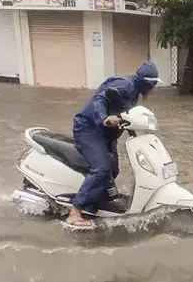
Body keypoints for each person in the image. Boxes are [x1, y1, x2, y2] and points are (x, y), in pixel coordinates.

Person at [66, 61, 160, 227]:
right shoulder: (124, 85)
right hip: (89, 129)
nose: (153, 90)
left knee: (113, 169)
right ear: (146, 83)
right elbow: (99, 99)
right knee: (101, 168)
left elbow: (127, 115)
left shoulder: (134, 92)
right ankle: (75, 211)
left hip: (106, 134)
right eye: (152, 85)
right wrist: (104, 118)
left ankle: (94, 204)